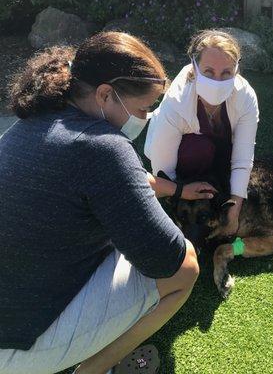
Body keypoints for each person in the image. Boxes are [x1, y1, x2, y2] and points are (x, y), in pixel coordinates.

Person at [0, 32, 200, 374]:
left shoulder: (29, 124)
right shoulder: (103, 146)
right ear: (105, 95)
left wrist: (159, 188)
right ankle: (94, 370)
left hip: (12, 314)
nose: (146, 117)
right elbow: (165, 258)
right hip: (18, 348)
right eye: (142, 108)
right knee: (186, 267)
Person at [145, 29, 259, 237]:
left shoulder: (245, 96)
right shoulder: (177, 101)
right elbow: (163, 171)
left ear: (236, 69)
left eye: (226, 72)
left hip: (221, 149)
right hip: (184, 155)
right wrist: (180, 194)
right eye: (208, 71)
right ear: (195, 68)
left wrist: (234, 212)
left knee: (228, 165)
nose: (217, 80)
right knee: (200, 149)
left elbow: (243, 158)